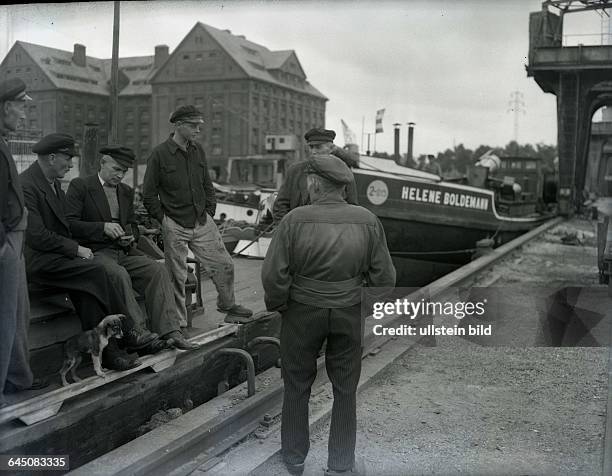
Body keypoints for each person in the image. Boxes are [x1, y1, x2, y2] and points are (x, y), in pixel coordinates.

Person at [262, 154, 396, 476]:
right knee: (345, 389)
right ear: (343, 186)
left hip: (302, 311)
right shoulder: (367, 220)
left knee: (296, 385)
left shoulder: (294, 220)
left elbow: (273, 276)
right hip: (348, 311)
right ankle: (340, 465)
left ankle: (294, 460)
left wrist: (282, 304)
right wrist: (363, 305)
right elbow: (385, 278)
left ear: (313, 183)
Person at [20, 133, 159, 371]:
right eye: (68, 159)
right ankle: (128, 333)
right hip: (39, 262)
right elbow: (36, 235)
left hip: (57, 257)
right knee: (97, 270)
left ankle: (109, 356)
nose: (71, 165)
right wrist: (76, 249)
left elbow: (64, 226)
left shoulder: (52, 184)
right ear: (52, 157)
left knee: (89, 289)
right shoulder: (27, 185)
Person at [65, 145, 198, 350]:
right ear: (103, 163)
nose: (120, 175)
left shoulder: (125, 192)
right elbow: (69, 223)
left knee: (157, 270)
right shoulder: (80, 186)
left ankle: (170, 331)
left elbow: (133, 225)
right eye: (116, 169)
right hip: (94, 252)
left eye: (124, 172)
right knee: (119, 275)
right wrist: (103, 227)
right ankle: (138, 334)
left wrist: (131, 236)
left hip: (122, 251)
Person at [143, 105, 252, 325]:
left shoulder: (197, 150)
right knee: (177, 275)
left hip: (201, 220)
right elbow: (148, 194)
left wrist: (209, 211)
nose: (198, 130)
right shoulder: (159, 154)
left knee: (224, 264)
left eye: (199, 126)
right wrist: (164, 220)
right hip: (174, 222)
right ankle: (179, 324)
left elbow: (206, 184)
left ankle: (228, 306)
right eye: (193, 126)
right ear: (178, 125)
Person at [0, 78, 47, 405]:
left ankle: (18, 377)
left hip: (14, 238)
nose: (23, 115)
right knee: (4, 316)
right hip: (5, 241)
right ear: (5, 107)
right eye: (20, 106)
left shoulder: (2, 142)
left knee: (17, 312)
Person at [272, 128, 359, 224]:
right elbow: (280, 206)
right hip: (299, 232)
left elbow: (352, 207)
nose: (313, 151)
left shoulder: (343, 172)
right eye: (311, 147)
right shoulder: (295, 171)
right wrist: (287, 231)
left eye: (318, 147)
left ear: (331, 149)